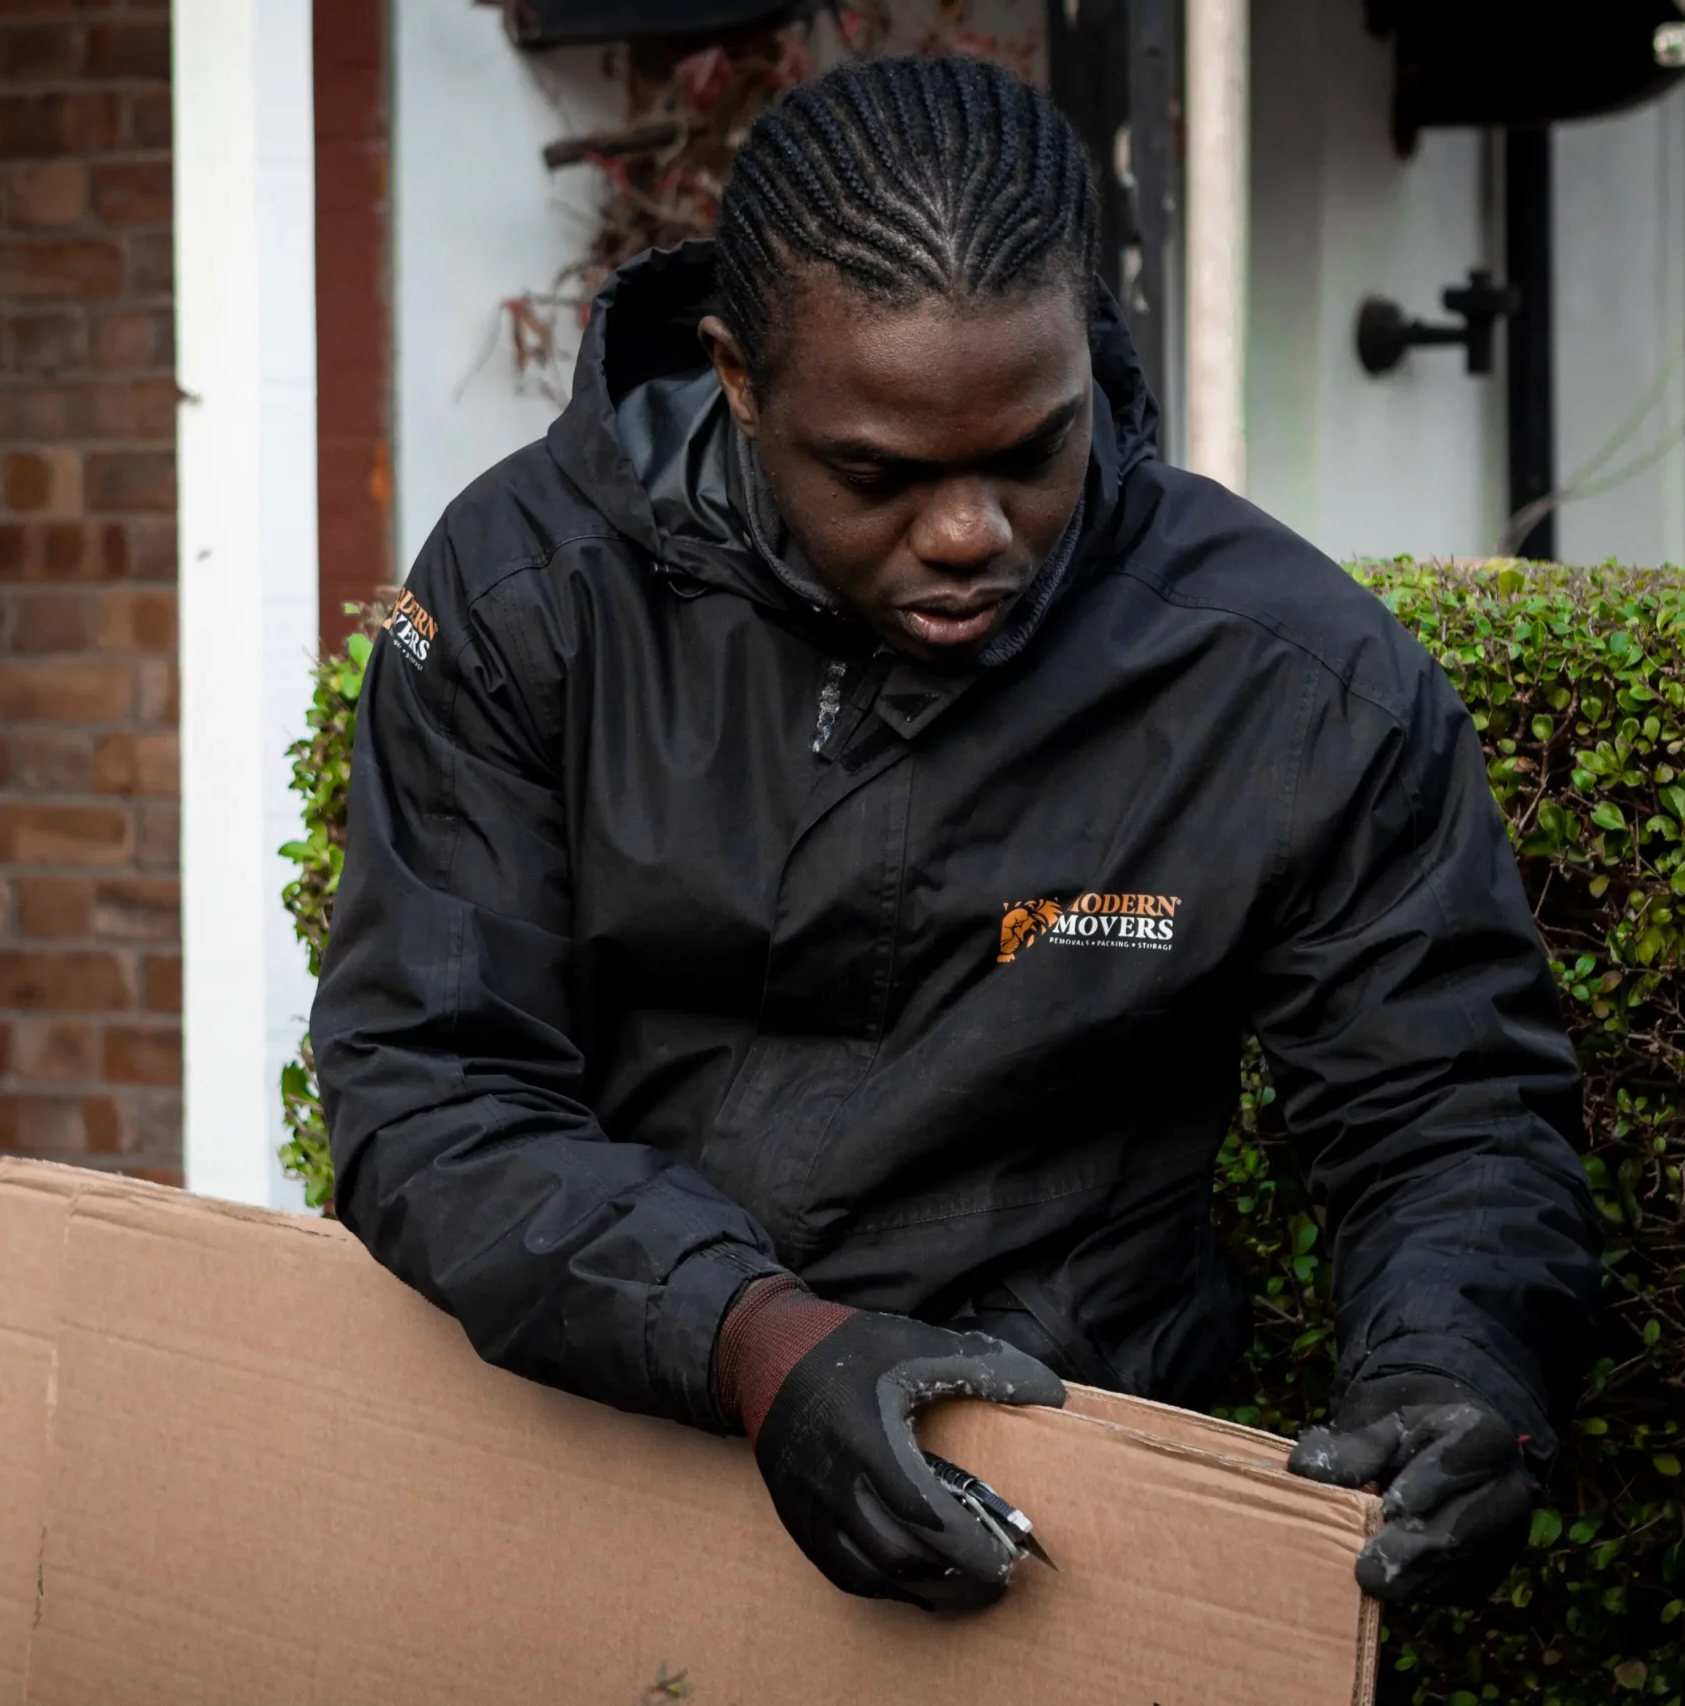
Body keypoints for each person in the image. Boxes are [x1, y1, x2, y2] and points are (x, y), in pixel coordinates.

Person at [310, 55, 1597, 1614]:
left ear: (1081, 346)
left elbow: (1449, 1106)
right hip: (603, 1443)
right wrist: (753, 1339)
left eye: (1032, 449)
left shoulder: (1291, 681)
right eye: (879, 473)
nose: (969, 533)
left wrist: (1457, 1364)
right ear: (738, 378)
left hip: (1065, 1498)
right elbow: (432, 1076)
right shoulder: (529, 596)